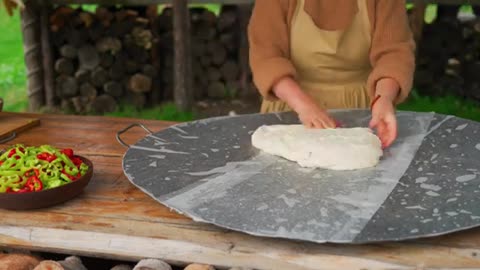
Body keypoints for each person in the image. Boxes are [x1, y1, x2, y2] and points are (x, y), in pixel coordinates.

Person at [248, 0, 415, 148]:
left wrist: (384, 98)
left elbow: (394, 54)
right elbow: (266, 57)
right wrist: (304, 106)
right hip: (290, 108)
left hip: (362, 113)